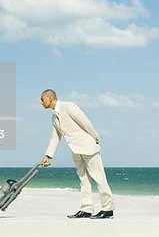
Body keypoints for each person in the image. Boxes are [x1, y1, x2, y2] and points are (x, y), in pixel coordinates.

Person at [40, 89, 114, 219]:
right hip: (75, 151)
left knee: (99, 178)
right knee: (84, 180)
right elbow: (55, 137)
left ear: (50, 98)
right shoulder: (54, 117)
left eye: (42, 99)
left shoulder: (69, 107)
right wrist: (48, 155)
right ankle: (86, 209)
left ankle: (108, 209)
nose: (41, 102)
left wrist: (96, 139)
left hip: (89, 147)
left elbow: (86, 122)